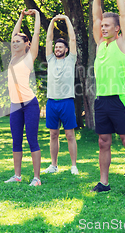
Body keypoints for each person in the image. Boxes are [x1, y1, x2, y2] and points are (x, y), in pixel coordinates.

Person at [91, 0, 125, 195]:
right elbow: (95, 17)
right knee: (103, 142)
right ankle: (104, 182)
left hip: (118, 100)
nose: (103, 28)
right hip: (101, 100)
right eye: (102, 26)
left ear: (117, 28)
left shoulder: (124, 44)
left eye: (107, 26)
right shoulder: (101, 44)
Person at [5, 9, 42, 186]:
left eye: (18, 41)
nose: (14, 43)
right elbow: (14, 33)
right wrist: (20, 17)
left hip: (29, 104)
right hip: (15, 105)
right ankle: (17, 175)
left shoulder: (29, 56)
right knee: (16, 140)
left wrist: (36, 16)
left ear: (26, 43)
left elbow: (36, 33)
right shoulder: (12, 57)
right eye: (13, 42)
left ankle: (37, 177)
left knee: (32, 140)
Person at [42, 15, 79, 175]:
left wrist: (66, 19)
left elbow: (72, 38)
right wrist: (52, 22)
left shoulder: (71, 59)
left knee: (70, 135)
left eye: (60, 47)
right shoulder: (50, 59)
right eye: (56, 47)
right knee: (53, 135)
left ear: (66, 50)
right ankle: (54, 165)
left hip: (67, 102)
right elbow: (48, 39)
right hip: (51, 102)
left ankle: (73, 166)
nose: (57, 49)